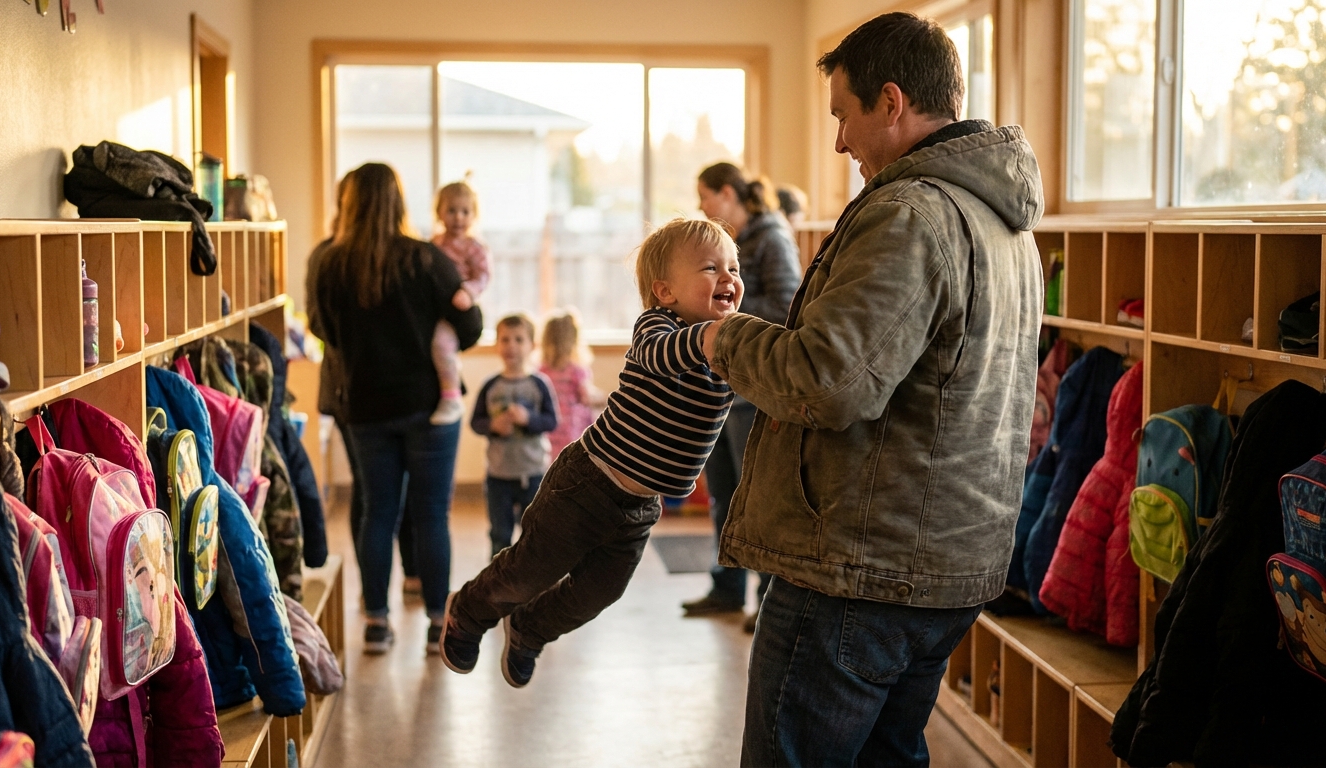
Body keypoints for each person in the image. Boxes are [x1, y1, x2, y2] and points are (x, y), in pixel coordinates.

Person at [699, 13, 1044, 766]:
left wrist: (717, 338)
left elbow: (829, 382)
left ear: (890, 104)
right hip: (947, 563)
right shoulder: (1005, 223)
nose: (838, 142)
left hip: (861, 568)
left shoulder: (910, 213)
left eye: (843, 117)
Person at [440, 218, 742, 689]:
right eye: (710, 267)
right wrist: (708, 339)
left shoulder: (727, 347)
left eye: (733, 267)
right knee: (530, 570)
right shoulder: (656, 328)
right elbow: (664, 354)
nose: (728, 278)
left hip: (641, 506)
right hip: (588, 483)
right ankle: (468, 611)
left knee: (600, 591)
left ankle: (529, 630)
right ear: (664, 291)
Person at [307, 162, 483, 654]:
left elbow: (322, 329)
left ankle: (377, 624)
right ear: (400, 203)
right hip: (430, 407)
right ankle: (434, 624)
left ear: (349, 203)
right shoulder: (427, 259)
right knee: (431, 515)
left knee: (377, 514)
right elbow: (468, 330)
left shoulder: (329, 263)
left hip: (364, 408)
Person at [684, 162, 801, 631]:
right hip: (724, 389)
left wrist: (725, 312)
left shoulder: (772, 238)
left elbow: (788, 306)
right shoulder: (736, 242)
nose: (702, 207)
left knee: (757, 501)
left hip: (753, 392)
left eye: (705, 196)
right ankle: (727, 588)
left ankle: (766, 600)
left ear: (728, 194)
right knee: (725, 496)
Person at [471, 314, 559, 557]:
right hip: (498, 475)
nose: (511, 345)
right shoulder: (490, 385)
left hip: (532, 473)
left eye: (519, 339)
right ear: (497, 345)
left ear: (532, 345)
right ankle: (499, 583)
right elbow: (475, 422)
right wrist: (493, 426)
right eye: (505, 339)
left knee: (534, 532)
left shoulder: (539, 384)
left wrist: (528, 419)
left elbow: (552, 421)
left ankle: (532, 581)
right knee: (500, 533)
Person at [429, 179, 493, 425]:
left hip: (456, 307)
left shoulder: (474, 247)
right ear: (439, 213)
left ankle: (451, 395)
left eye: (465, 212)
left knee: (442, 345)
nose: (458, 218)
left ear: (474, 215)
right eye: (451, 211)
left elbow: (483, 275)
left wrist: (468, 291)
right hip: (433, 306)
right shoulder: (434, 244)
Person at [539, 309, 601, 463]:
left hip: (550, 431)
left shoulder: (541, 371)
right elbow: (586, 397)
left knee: (552, 466)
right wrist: (605, 398)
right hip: (572, 430)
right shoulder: (576, 371)